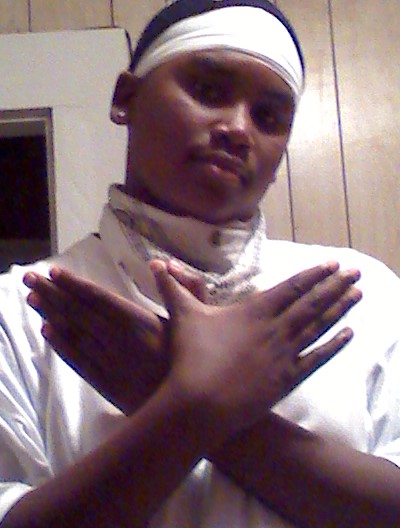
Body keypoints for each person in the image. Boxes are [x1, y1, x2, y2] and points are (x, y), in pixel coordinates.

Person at [0, 0, 399, 526]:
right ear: (125, 98)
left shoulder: (359, 294)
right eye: (209, 91)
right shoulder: (18, 310)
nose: (238, 129)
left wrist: (179, 399)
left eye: (269, 117)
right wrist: (196, 406)